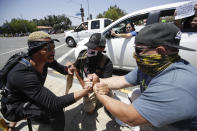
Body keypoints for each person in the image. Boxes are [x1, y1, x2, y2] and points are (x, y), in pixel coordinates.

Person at [88, 23, 197, 130]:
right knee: (135, 94)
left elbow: (130, 118)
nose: (135, 55)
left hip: (176, 127)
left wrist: (99, 93)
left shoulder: (175, 84)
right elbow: (123, 80)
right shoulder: (153, 66)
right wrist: (99, 81)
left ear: (160, 51)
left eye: (138, 50)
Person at [1, 31, 93, 131]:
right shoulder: (21, 74)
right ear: (34, 51)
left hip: (28, 96)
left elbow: (62, 69)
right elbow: (55, 103)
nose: (53, 51)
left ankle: (32, 117)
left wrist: (68, 69)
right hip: (14, 108)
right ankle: (13, 124)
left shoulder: (45, 60)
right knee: (56, 111)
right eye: (48, 48)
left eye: (53, 47)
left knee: (48, 116)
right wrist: (85, 91)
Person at [74, 33, 113, 114]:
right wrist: (84, 85)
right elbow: (76, 70)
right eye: (89, 46)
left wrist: (97, 81)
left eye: (93, 47)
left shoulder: (106, 62)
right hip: (89, 88)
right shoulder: (83, 56)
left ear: (102, 49)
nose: (89, 49)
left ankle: (106, 99)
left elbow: (107, 84)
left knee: (111, 107)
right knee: (89, 111)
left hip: (100, 86)